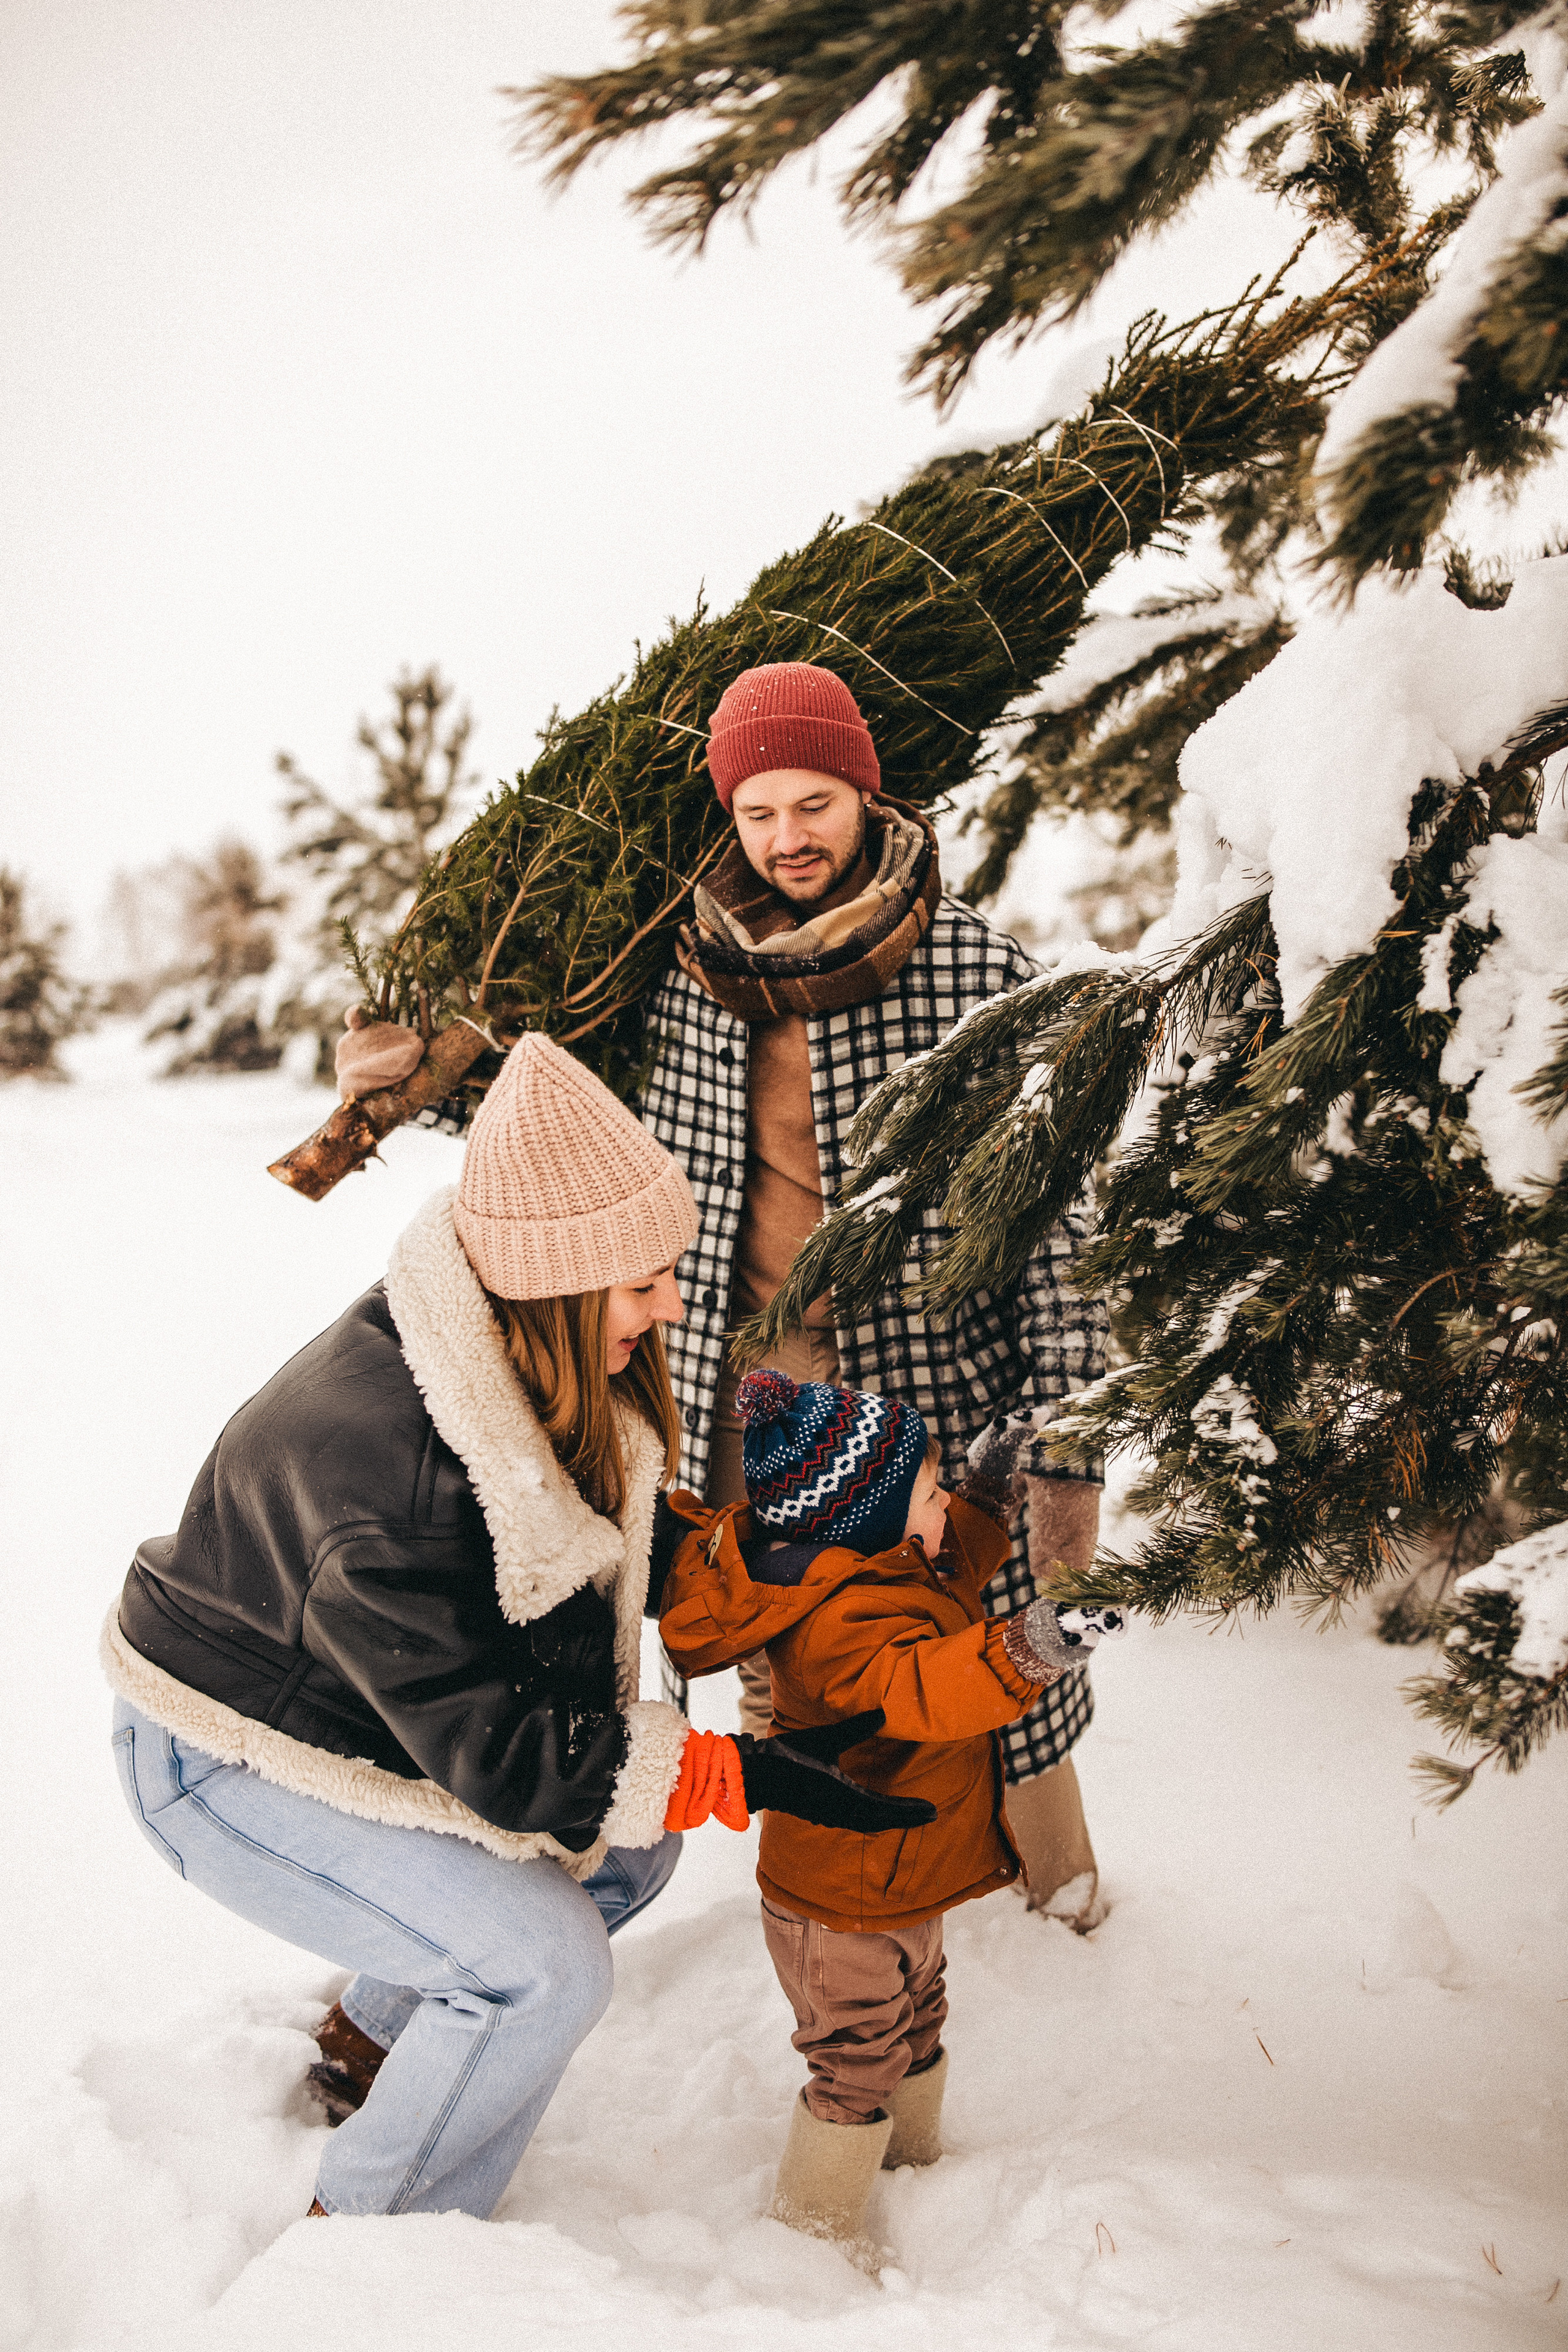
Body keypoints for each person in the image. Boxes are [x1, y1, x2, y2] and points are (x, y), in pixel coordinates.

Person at [337, 660, 1110, 1926]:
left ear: (865, 795)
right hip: (746, 1382)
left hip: (926, 1375)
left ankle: (1045, 1889)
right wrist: (427, 1071)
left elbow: (1054, 1224)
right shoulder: (684, 966)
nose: (786, 837)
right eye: (758, 811)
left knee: (977, 1637)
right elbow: (562, 1105)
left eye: (813, 803)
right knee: (784, 1638)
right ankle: (826, 1899)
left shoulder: (973, 970)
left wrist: (1066, 1442)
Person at [102, 1034, 917, 2222]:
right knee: (542, 1968)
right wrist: (740, 1772)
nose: (672, 1304)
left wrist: (790, 1557)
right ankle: (380, 2232)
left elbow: (584, 1544)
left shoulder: (516, 1356)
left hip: (363, 1706)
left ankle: (373, 2046)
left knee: (628, 1852)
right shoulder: (392, 1469)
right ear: (553, 1282)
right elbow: (507, 1759)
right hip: (223, 1758)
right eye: (640, 1283)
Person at [658, 1366, 1122, 2252]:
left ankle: (912, 2174)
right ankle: (815, 2234)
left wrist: (989, 1479)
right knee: (856, 2057)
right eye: (930, 1488)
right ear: (868, 1518)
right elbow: (930, 1686)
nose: (944, 1499)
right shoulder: (841, 1626)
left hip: (898, 1878)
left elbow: (961, 1559)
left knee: (919, 2016)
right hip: (841, 1899)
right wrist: (1032, 1644)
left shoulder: (888, 1567)